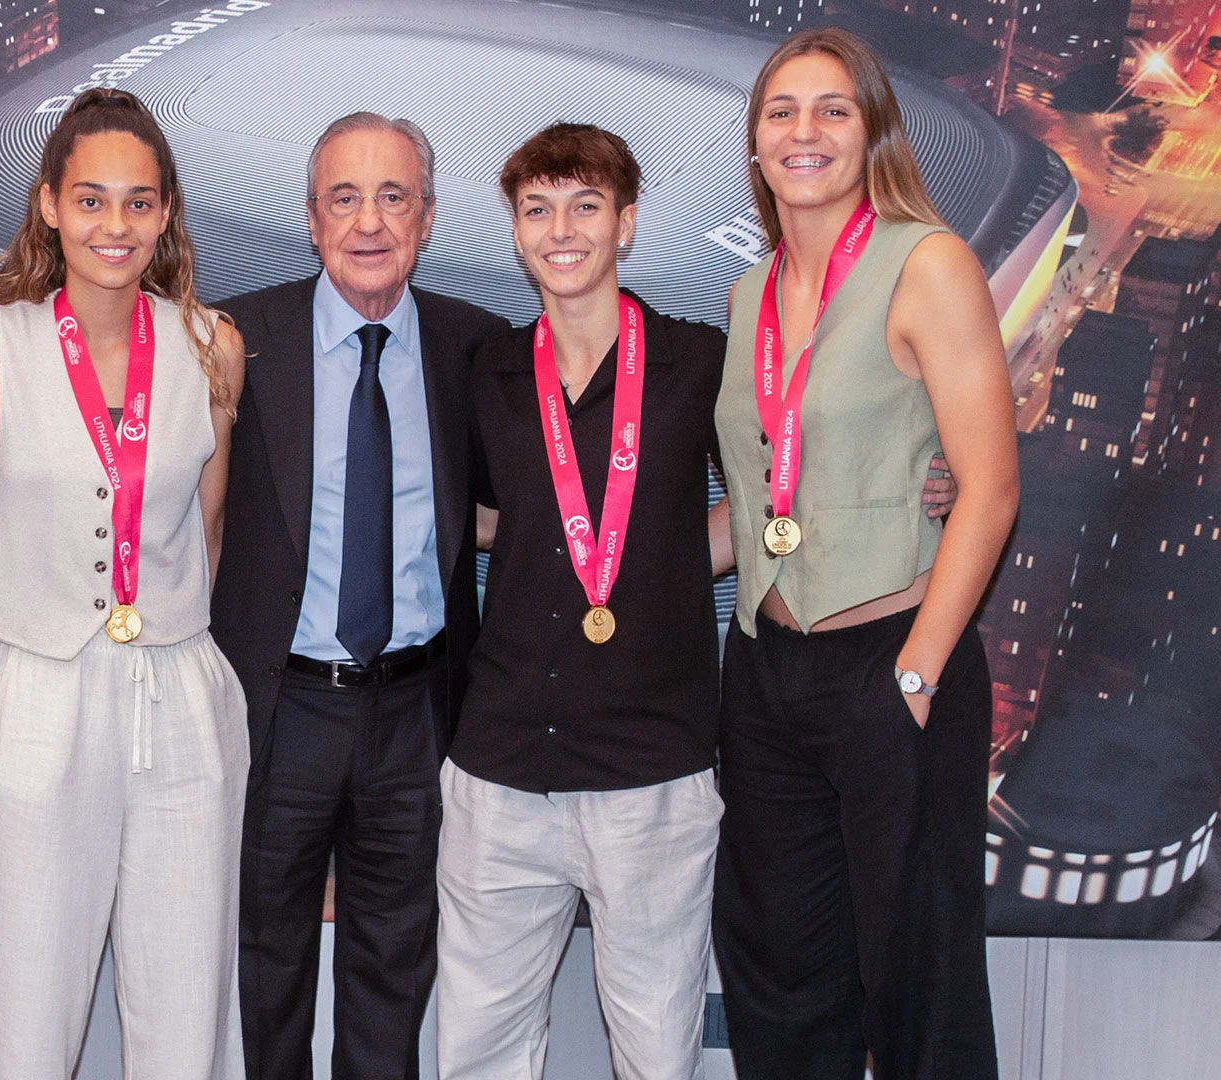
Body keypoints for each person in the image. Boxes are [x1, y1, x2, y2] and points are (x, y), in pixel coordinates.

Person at [711, 28, 1019, 1080]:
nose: (806, 131)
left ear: (872, 130)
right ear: (755, 144)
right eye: (782, 112)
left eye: (833, 109)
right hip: (766, 672)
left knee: (919, 984)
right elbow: (760, 503)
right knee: (779, 980)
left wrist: (918, 676)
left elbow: (989, 485)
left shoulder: (925, 262)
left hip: (890, 660)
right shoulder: (749, 295)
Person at [0, 87, 249, 1080]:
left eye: (138, 202)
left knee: (183, 1004)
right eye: (90, 200)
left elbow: (207, 528)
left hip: (178, 685)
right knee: (30, 1006)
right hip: (43, 685)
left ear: (165, 214)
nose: (113, 226)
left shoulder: (212, 347)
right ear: (48, 205)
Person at [213, 112, 509, 1080]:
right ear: (311, 218)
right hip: (280, 707)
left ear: (426, 219)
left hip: (417, 715)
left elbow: (543, 498)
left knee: (393, 967)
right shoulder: (236, 340)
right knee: (266, 965)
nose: (370, 221)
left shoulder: (479, 349)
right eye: (346, 197)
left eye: (394, 197)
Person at [435, 123, 728, 1080]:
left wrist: (664, 562)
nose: (561, 229)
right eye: (537, 209)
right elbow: (485, 516)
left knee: (654, 1049)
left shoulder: (698, 362)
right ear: (515, 230)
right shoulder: (486, 370)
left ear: (627, 222)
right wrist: (546, 540)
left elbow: (779, 501)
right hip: (501, 764)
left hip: (652, 767)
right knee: (480, 1048)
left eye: (586, 205)